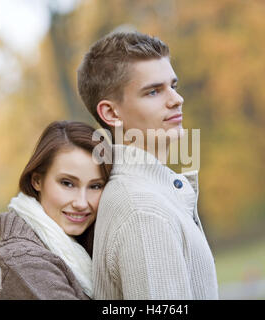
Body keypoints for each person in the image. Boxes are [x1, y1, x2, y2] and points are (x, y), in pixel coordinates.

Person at [77, 31, 219, 299]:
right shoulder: (143, 211)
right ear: (111, 113)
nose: (177, 100)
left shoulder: (150, 194)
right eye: (153, 91)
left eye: (173, 86)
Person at [0, 121, 111, 300]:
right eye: (67, 183)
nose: (82, 203)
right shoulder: (23, 263)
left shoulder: (82, 245)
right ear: (37, 181)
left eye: (95, 186)